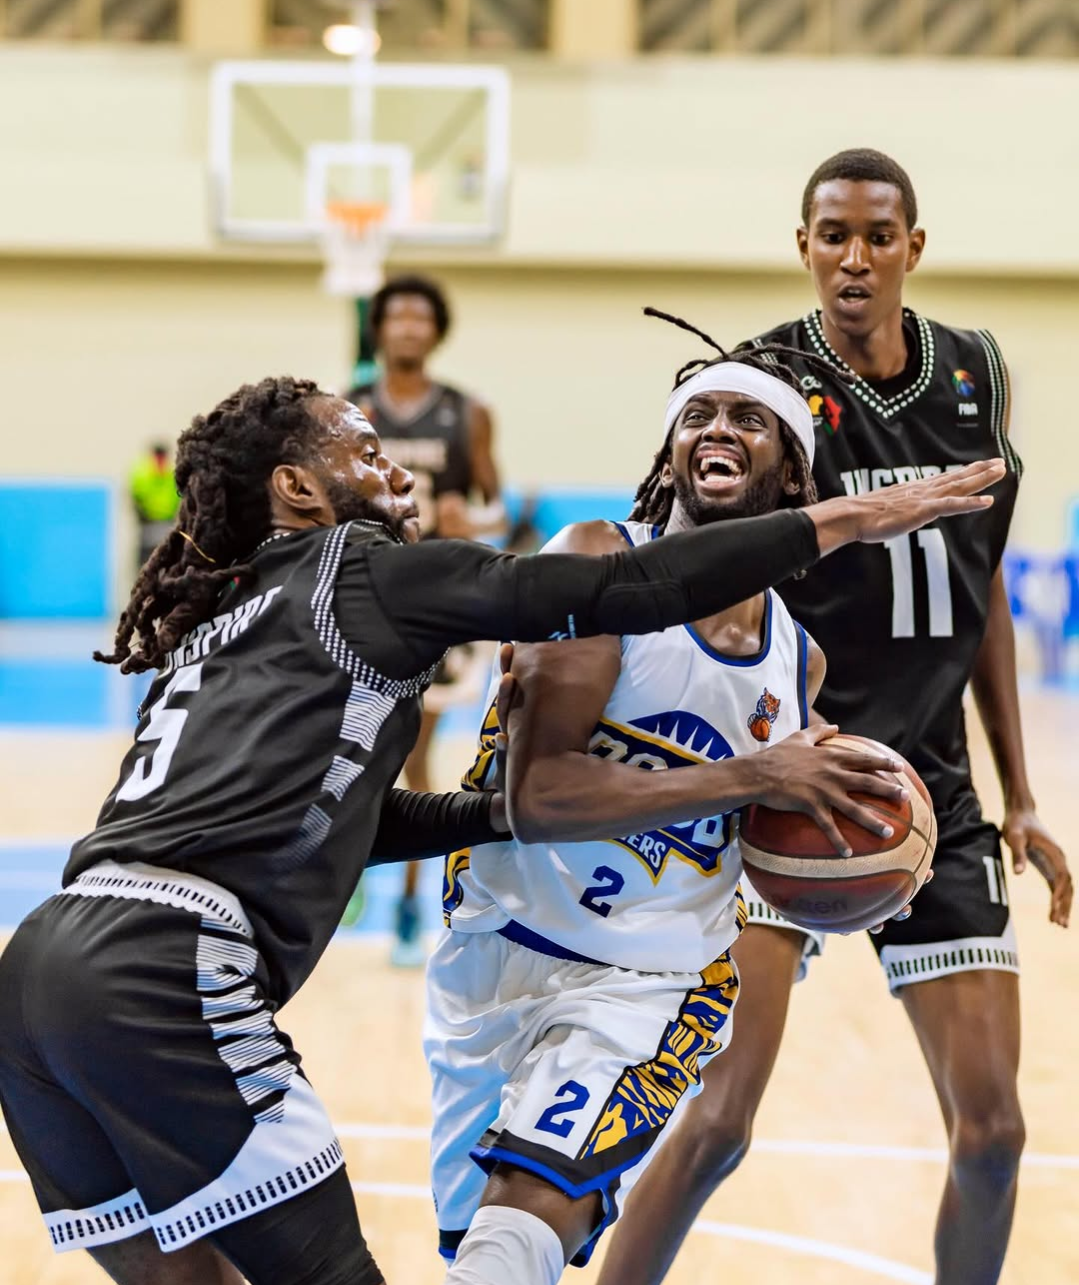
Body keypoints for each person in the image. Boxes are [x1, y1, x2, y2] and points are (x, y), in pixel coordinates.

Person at [0, 375, 997, 1285]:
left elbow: (335, 822)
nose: (400, 470)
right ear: (298, 489)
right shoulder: (361, 570)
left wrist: (496, 813)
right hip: (183, 969)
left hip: (42, 970)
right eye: (367, 453)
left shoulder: (227, 613)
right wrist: (854, 517)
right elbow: (606, 593)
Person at [425, 325, 993, 1285]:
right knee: (484, 1248)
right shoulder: (594, 560)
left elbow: (771, 829)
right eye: (698, 414)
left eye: (747, 418)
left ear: (792, 475)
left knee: (520, 1232)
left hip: (650, 982)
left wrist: (853, 856)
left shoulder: (796, 662)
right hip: (491, 954)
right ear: (669, 455)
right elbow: (538, 794)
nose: (718, 428)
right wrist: (754, 777)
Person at [596, 149, 1073, 1285]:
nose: (853, 258)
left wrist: (1018, 795)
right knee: (717, 1124)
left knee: (995, 1134)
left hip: (928, 794)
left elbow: (979, 593)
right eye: (831, 236)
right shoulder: (760, 382)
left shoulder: (976, 372)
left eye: (876, 236)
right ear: (803, 247)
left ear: (913, 247)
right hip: (785, 780)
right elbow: (691, 563)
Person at [347, 273, 504, 965]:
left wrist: (472, 519)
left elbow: (497, 509)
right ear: (378, 329)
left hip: (435, 606)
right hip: (364, 598)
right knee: (350, 745)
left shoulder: (467, 413)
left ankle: (409, 902)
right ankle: (349, 854)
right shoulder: (348, 409)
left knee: (413, 752)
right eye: (397, 316)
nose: (408, 327)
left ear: (436, 331)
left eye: (420, 317)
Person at [129, 440, 180, 569]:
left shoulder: (172, 475)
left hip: (168, 522)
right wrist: (143, 517)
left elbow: (178, 498)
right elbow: (135, 497)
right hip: (148, 523)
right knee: (145, 561)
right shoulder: (141, 475)